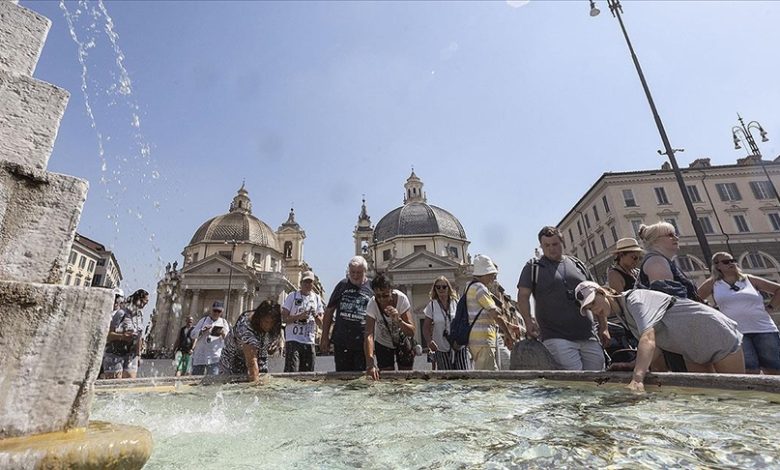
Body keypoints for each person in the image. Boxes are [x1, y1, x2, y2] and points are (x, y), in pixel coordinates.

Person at [575, 281, 744, 392]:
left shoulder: (636, 300)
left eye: (594, 303)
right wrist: (632, 365)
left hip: (715, 333)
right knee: (707, 396)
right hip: (691, 349)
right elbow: (656, 347)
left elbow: (648, 339)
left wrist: (637, 378)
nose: (594, 310)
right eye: (589, 308)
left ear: (602, 292)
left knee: (737, 395)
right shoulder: (623, 313)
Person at [516, 226, 607, 371]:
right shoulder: (533, 267)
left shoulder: (578, 264)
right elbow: (523, 296)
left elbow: (597, 295)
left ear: (562, 243)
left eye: (555, 244)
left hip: (589, 335)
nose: (551, 249)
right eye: (547, 245)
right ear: (541, 246)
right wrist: (528, 321)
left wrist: (604, 326)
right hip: (556, 337)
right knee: (574, 381)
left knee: (597, 380)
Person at [697, 252, 780, 374]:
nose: (731, 263)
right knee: (750, 370)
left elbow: (778, 289)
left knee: (775, 367)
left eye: (733, 260)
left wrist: (771, 307)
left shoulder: (749, 279)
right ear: (717, 266)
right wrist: (713, 312)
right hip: (737, 333)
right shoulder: (713, 283)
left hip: (764, 329)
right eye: (726, 262)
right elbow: (695, 299)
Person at [636, 221, 700, 371]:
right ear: (655, 240)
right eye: (670, 235)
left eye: (675, 234)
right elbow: (670, 303)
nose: (675, 237)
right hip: (676, 335)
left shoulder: (659, 260)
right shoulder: (656, 262)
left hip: (674, 334)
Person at [467, 255, 521, 371]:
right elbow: (494, 313)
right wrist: (508, 333)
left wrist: (508, 325)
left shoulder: (471, 287)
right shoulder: (480, 288)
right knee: (488, 377)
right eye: (492, 274)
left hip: (482, 339)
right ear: (485, 273)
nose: (493, 277)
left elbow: (486, 314)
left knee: (496, 371)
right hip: (484, 340)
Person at [321, 256, 373, 372]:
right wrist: (325, 336)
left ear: (365, 272)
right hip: (342, 341)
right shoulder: (342, 285)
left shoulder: (371, 287)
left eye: (358, 272)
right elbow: (329, 311)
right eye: (352, 272)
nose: (355, 275)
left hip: (363, 342)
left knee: (361, 377)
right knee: (342, 376)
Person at [364, 274, 416, 379]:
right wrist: (370, 364)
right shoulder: (372, 304)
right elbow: (369, 334)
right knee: (387, 378)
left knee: (405, 378)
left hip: (402, 341)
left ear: (391, 291)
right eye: (378, 296)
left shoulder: (401, 299)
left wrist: (399, 320)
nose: (382, 299)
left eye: (385, 295)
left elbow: (411, 332)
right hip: (383, 342)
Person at [220, 300, 283, 381]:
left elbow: (275, 337)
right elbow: (251, 364)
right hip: (233, 363)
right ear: (259, 318)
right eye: (266, 322)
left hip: (259, 357)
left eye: (272, 323)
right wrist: (255, 388)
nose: (268, 326)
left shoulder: (273, 322)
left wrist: (275, 344)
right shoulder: (246, 328)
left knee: (264, 381)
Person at [423, 276, 470, 370]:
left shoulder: (456, 303)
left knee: (463, 376)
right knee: (446, 378)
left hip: (458, 345)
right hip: (441, 347)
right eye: (438, 287)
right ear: (434, 289)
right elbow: (426, 327)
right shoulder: (432, 306)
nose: (441, 289)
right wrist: (429, 341)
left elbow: (465, 322)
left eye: (444, 287)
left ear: (449, 288)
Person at [281, 271, 325, 372]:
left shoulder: (316, 298)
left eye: (310, 282)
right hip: (293, 340)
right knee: (292, 371)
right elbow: (284, 318)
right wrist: (298, 317)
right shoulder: (292, 296)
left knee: (308, 374)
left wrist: (315, 315)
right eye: (305, 282)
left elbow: (322, 323)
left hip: (309, 341)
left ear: (313, 284)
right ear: (301, 283)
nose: (308, 285)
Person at [101, 289, 148, 379]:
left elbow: (139, 336)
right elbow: (108, 334)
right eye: (143, 301)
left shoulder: (140, 316)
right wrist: (122, 336)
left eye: (146, 302)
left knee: (130, 383)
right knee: (114, 385)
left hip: (131, 354)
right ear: (136, 299)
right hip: (115, 353)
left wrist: (138, 355)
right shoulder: (121, 313)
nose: (145, 304)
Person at [190, 300, 231, 376]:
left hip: (214, 357)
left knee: (212, 381)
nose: (216, 313)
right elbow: (192, 335)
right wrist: (202, 330)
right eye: (215, 310)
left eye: (218, 311)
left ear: (221, 312)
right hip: (200, 356)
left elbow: (228, 340)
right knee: (195, 380)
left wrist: (223, 333)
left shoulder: (224, 322)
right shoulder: (203, 320)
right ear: (211, 310)